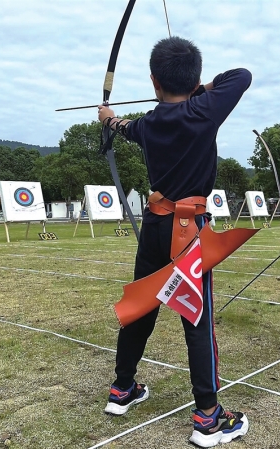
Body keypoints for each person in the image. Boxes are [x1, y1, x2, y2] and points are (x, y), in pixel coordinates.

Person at [98, 37, 250, 448]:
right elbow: (242, 76)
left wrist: (108, 118)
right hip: (189, 231)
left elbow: (124, 128)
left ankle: (122, 389)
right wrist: (204, 89)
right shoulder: (205, 109)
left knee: (143, 304)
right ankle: (209, 417)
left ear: (153, 81)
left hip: (156, 225)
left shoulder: (148, 123)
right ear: (196, 77)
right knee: (196, 320)